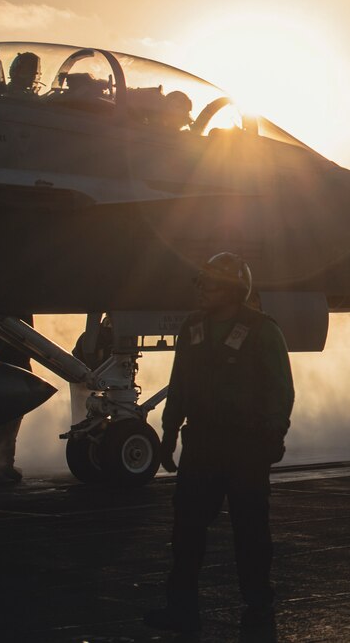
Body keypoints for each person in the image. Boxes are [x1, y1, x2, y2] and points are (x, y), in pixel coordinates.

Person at [144, 253, 294, 634]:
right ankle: (180, 608)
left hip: (246, 446)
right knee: (186, 532)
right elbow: (179, 385)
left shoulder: (262, 330)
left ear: (230, 290)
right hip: (202, 446)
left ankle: (259, 604)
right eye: (200, 282)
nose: (200, 291)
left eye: (208, 285)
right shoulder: (193, 328)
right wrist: (169, 430)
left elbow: (280, 388)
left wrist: (274, 434)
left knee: (251, 531)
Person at [0, 314, 34, 484]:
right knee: (9, 419)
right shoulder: (10, 311)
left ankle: (1, 464)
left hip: (8, 362)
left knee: (7, 420)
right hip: (13, 365)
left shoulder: (1, 312)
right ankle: (1, 466)